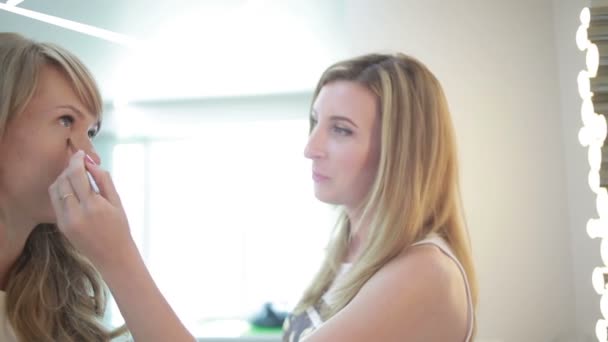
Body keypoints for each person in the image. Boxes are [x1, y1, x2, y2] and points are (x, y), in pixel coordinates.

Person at [0, 32, 193, 341]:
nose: (89, 153)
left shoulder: (56, 302)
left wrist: (120, 256)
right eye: (66, 120)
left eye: (91, 131)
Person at [281, 53, 478, 341]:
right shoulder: (346, 251)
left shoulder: (424, 270)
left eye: (340, 130)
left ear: (399, 153)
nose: (311, 148)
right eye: (316, 121)